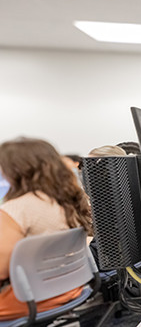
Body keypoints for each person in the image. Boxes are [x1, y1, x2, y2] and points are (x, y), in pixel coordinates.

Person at [0, 137, 94, 320]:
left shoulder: (16, 210)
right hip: (70, 289)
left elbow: (1, 271)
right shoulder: (69, 201)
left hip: (30, 299)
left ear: (17, 170)